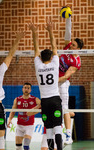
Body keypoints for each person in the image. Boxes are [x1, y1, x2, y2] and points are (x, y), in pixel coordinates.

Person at [28, 22, 63, 150]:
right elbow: (54, 46)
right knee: (57, 126)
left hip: (45, 102)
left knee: (48, 128)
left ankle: (50, 148)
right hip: (55, 99)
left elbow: (36, 49)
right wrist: (50, 31)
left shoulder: (38, 66)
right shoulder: (55, 64)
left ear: (41, 58)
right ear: (51, 57)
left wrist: (34, 32)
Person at [58, 15, 84, 145]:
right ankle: (60, 129)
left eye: (73, 44)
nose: (70, 45)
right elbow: (67, 33)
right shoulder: (67, 47)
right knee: (58, 108)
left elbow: (66, 76)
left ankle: (68, 136)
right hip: (54, 79)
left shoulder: (77, 61)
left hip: (62, 82)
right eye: (71, 43)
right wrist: (68, 19)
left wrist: (54, 81)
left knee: (63, 108)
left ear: (78, 48)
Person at [7, 82, 41, 150]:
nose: (26, 89)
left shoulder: (34, 99)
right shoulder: (17, 99)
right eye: (25, 88)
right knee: (18, 147)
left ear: (30, 90)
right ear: (22, 89)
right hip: (19, 126)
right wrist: (10, 119)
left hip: (29, 126)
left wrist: (34, 110)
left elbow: (41, 105)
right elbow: (13, 111)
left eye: (28, 88)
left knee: (26, 146)